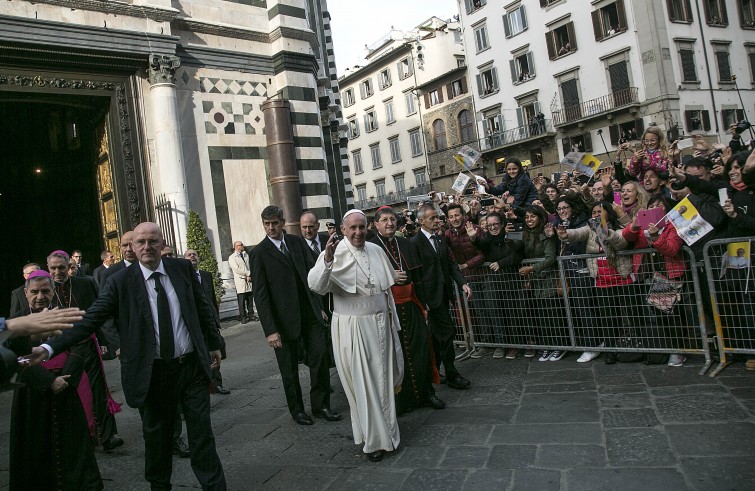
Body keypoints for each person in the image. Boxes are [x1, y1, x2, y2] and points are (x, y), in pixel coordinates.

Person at [28, 222, 227, 491]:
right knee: (157, 439)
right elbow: (92, 319)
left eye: (153, 241)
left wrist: (214, 343)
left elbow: (201, 307)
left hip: (189, 367)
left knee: (202, 435)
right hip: (152, 373)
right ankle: (160, 486)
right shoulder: (120, 282)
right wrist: (50, 347)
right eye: (141, 242)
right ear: (132, 247)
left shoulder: (182, 270)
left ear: (162, 243)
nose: (147, 247)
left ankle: (215, 486)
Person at [308, 209, 404, 462]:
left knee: (382, 380)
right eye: (353, 228)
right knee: (363, 384)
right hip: (353, 329)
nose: (358, 232)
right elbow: (316, 285)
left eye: (362, 227)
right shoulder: (332, 254)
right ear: (343, 229)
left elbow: (386, 290)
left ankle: (389, 435)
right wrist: (327, 261)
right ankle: (373, 442)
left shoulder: (376, 250)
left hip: (380, 325)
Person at [8, 270, 103, 490]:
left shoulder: (64, 315)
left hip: (66, 386)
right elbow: (15, 357)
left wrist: (65, 379)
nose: (40, 296)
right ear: (25, 292)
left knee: (72, 446)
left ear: (53, 292)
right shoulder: (17, 321)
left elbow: (80, 345)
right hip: (32, 392)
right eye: (34, 292)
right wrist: (48, 381)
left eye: (45, 291)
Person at [251, 206, 339, 426]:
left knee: (319, 359)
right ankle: (297, 410)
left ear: (282, 222)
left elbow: (312, 276)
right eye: (266, 224)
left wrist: (318, 306)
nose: (271, 228)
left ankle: (321, 406)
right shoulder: (259, 253)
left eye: (274, 223)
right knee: (289, 371)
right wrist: (270, 330)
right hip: (282, 322)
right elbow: (260, 295)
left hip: (309, 314)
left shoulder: (296, 242)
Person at [369, 206, 445, 414]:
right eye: (384, 220)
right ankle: (402, 400)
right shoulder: (371, 247)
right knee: (395, 355)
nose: (389, 223)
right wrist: (389, 276)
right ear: (376, 224)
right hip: (387, 309)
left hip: (411, 306)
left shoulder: (406, 243)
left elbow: (418, 278)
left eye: (392, 219)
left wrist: (424, 305)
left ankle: (426, 393)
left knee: (421, 349)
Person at [47, 249, 124, 452]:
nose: (58, 272)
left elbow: (100, 312)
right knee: (71, 392)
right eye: (53, 268)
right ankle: (81, 437)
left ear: (69, 267)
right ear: (48, 269)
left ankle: (107, 436)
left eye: (62, 267)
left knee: (97, 389)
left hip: (87, 345)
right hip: (61, 350)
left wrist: (106, 340)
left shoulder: (85, 283)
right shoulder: (44, 289)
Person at [412, 204, 472, 389]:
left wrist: (462, 283)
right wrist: (422, 302)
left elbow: (451, 265)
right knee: (447, 333)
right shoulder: (414, 243)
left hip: (444, 295)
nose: (437, 220)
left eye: (437, 217)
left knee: (437, 337)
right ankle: (451, 373)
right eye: (432, 218)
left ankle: (433, 372)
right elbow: (416, 275)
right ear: (421, 221)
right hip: (430, 299)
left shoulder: (441, 240)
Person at [185, 249, 229, 395]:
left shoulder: (206, 275)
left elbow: (211, 299)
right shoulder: (183, 278)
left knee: (215, 350)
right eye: (189, 255)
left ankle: (217, 383)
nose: (192, 256)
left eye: (194, 254)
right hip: (195, 323)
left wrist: (215, 318)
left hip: (209, 320)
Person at [228, 241, 256, 323]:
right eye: (241, 245)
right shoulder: (232, 257)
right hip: (240, 280)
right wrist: (247, 273)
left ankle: (251, 315)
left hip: (248, 279)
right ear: (236, 246)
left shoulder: (246, 255)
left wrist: (249, 275)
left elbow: (249, 265)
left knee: (250, 299)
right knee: (242, 300)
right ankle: (243, 317)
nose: (242, 246)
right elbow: (236, 269)